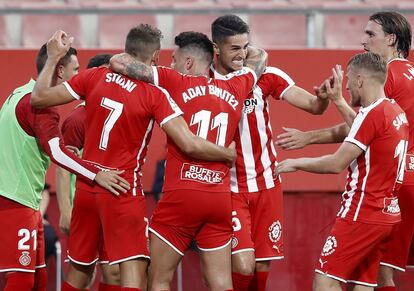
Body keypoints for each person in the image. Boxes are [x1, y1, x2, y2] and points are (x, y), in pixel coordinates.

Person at [31, 26, 237, 291]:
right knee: (133, 274)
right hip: (122, 188)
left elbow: (39, 98)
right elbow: (188, 143)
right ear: (155, 59)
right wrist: (226, 153)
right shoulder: (155, 94)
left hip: (87, 189)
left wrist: (52, 58)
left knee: (80, 274)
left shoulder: (94, 76)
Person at [110, 30, 266, 291]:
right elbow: (260, 57)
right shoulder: (236, 85)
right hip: (218, 198)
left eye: (174, 59)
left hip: (182, 195)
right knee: (220, 284)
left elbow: (118, 62)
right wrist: (236, 53)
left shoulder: (175, 81)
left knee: (158, 279)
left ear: (189, 63)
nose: (170, 64)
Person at [275, 12, 414, 291]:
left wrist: (308, 138)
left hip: (382, 189)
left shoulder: (389, 75)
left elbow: (364, 126)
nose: (363, 41)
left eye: (370, 34)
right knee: (371, 276)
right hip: (400, 188)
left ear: (391, 39)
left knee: (345, 279)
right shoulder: (409, 72)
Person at [208, 14, 330, 291]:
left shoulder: (267, 75)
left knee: (262, 265)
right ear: (217, 48)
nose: (242, 55)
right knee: (242, 265)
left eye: (246, 47)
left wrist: (322, 97)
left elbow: (313, 106)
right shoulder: (205, 81)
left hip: (267, 184)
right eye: (234, 49)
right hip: (229, 188)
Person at [0, 43, 128, 291]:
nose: (79, 76)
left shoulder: (18, 93)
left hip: (24, 199)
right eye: (76, 69)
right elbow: (58, 153)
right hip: (14, 200)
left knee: (38, 279)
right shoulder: (39, 106)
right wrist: (96, 174)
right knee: (22, 279)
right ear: (60, 70)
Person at [56, 53, 122, 291]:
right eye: (105, 73)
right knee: (82, 274)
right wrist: (65, 210)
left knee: (114, 272)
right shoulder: (77, 118)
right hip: (84, 206)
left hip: (111, 203)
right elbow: (63, 167)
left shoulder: (116, 112)